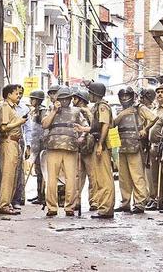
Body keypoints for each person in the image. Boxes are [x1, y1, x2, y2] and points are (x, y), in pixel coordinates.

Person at [42, 87, 88, 217]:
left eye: (67, 98)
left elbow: (84, 127)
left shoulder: (76, 111)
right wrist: (54, 111)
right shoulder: (50, 110)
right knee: (52, 179)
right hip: (53, 147)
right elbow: (45, 124)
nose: (65, 101)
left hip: (71, 147)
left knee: (71, 179)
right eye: (62, 99)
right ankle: (52, 207)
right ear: (57, 99)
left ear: (70, 99)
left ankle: (69, 207)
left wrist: (81, 138)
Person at [75, 82, 116, 219]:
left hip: (101, 145)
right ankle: (103, 207)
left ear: (95, 94)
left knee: (104, 178)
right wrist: (83, 129)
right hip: (98, 143)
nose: (89, 96)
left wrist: (100, 145)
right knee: (99, 178)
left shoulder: (103, 107)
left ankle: (106, 209)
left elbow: (104, 126)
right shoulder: (97, 107)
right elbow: (96, 127)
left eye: (91, 93)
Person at [113, 87, 156, 214]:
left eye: (127, 96)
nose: (125, 99)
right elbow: (113, 124)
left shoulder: (139, 108)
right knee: (124, 178)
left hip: (136, 146)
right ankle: (125, 203)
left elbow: (154, 118)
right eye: (122, 96)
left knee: (137, 176)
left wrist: (145, 129)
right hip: (123, 146)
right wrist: (122, 114)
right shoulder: (121, 111)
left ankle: (140, 203)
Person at [0, 85, 29, 208]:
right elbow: (3, 127)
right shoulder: (5, 106)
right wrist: (20, 122)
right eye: (16, 93)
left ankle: (7, 204)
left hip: (15, 142)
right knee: (7, 176)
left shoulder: (12, 107)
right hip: (8, 142)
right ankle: (3, 205)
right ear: (9, 95)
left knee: (13, 175)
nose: (18, 96)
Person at [145, 84, 163, 211]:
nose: (160, 94)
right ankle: (154, 199)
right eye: (158, 92)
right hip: (152, 146)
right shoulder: (154, 110)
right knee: (152, 175)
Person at [72, 89, 97, 211]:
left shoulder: (85, 111)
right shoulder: (85, 111)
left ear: (81, 99)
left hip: (87, 146)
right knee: (81, 175)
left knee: (88, 175)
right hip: (81, 147)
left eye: (75, 98)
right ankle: (89, 201)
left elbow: (91, 128)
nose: (73, 101)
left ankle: (90, 201)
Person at [24, 90, 48, 205]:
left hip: (42, 145)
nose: (31, 101)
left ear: (37, 100)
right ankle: (39, 194)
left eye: (32, 99)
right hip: (36, 143)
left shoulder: (43, 111)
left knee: (42, 172)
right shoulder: (35, 111)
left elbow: (43, 128)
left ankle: (42, 196)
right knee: (38, 171)